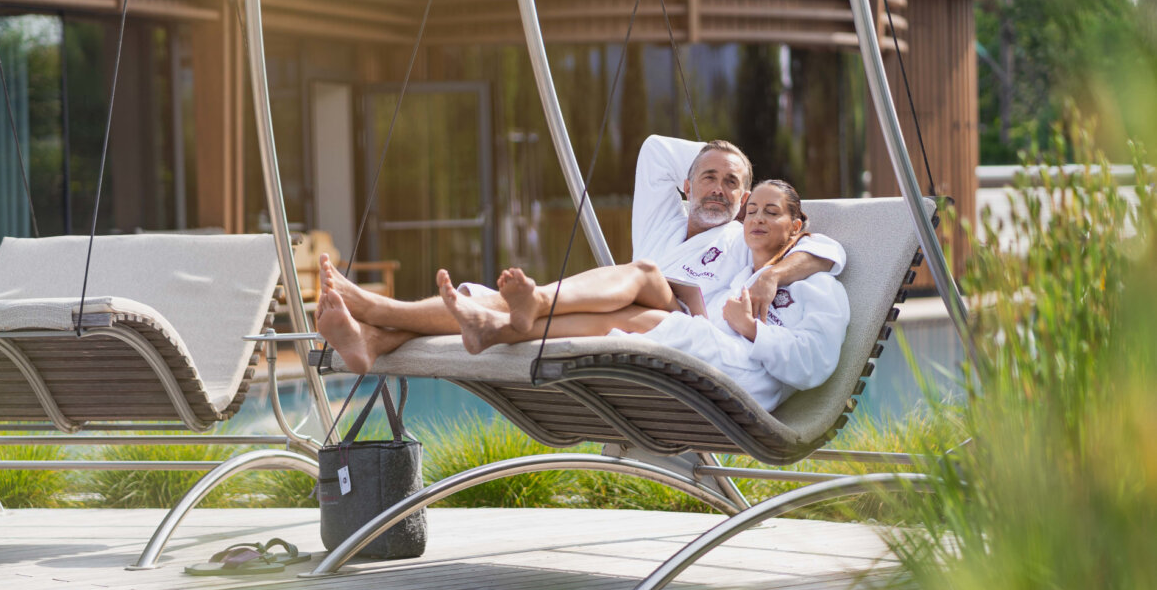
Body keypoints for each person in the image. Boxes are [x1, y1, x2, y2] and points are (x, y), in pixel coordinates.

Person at [316, 136, 845, 374]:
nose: (720, 190)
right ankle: (373, 340)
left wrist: (769, 274)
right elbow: (656, 149)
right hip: (640, 312)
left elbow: (825, 247)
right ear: (684, 184)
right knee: (497, 305)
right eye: (708, 179)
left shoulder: (742, 234)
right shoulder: (662, 219)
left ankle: (384, 311)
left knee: (641, 271)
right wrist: (719, 157)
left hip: (683, 320)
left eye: (733, 185)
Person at [437, 179, 850, 412]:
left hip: (746, 382)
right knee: (627, 303)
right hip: (715, 352)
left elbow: (813, 364)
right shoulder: (742, 268)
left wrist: (753, 329)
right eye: (753, 210)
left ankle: (506, 322)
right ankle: (497, 325)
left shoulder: (818, 284)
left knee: (625, 316)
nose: (757, 217)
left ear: (797, 227)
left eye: (772, 212)